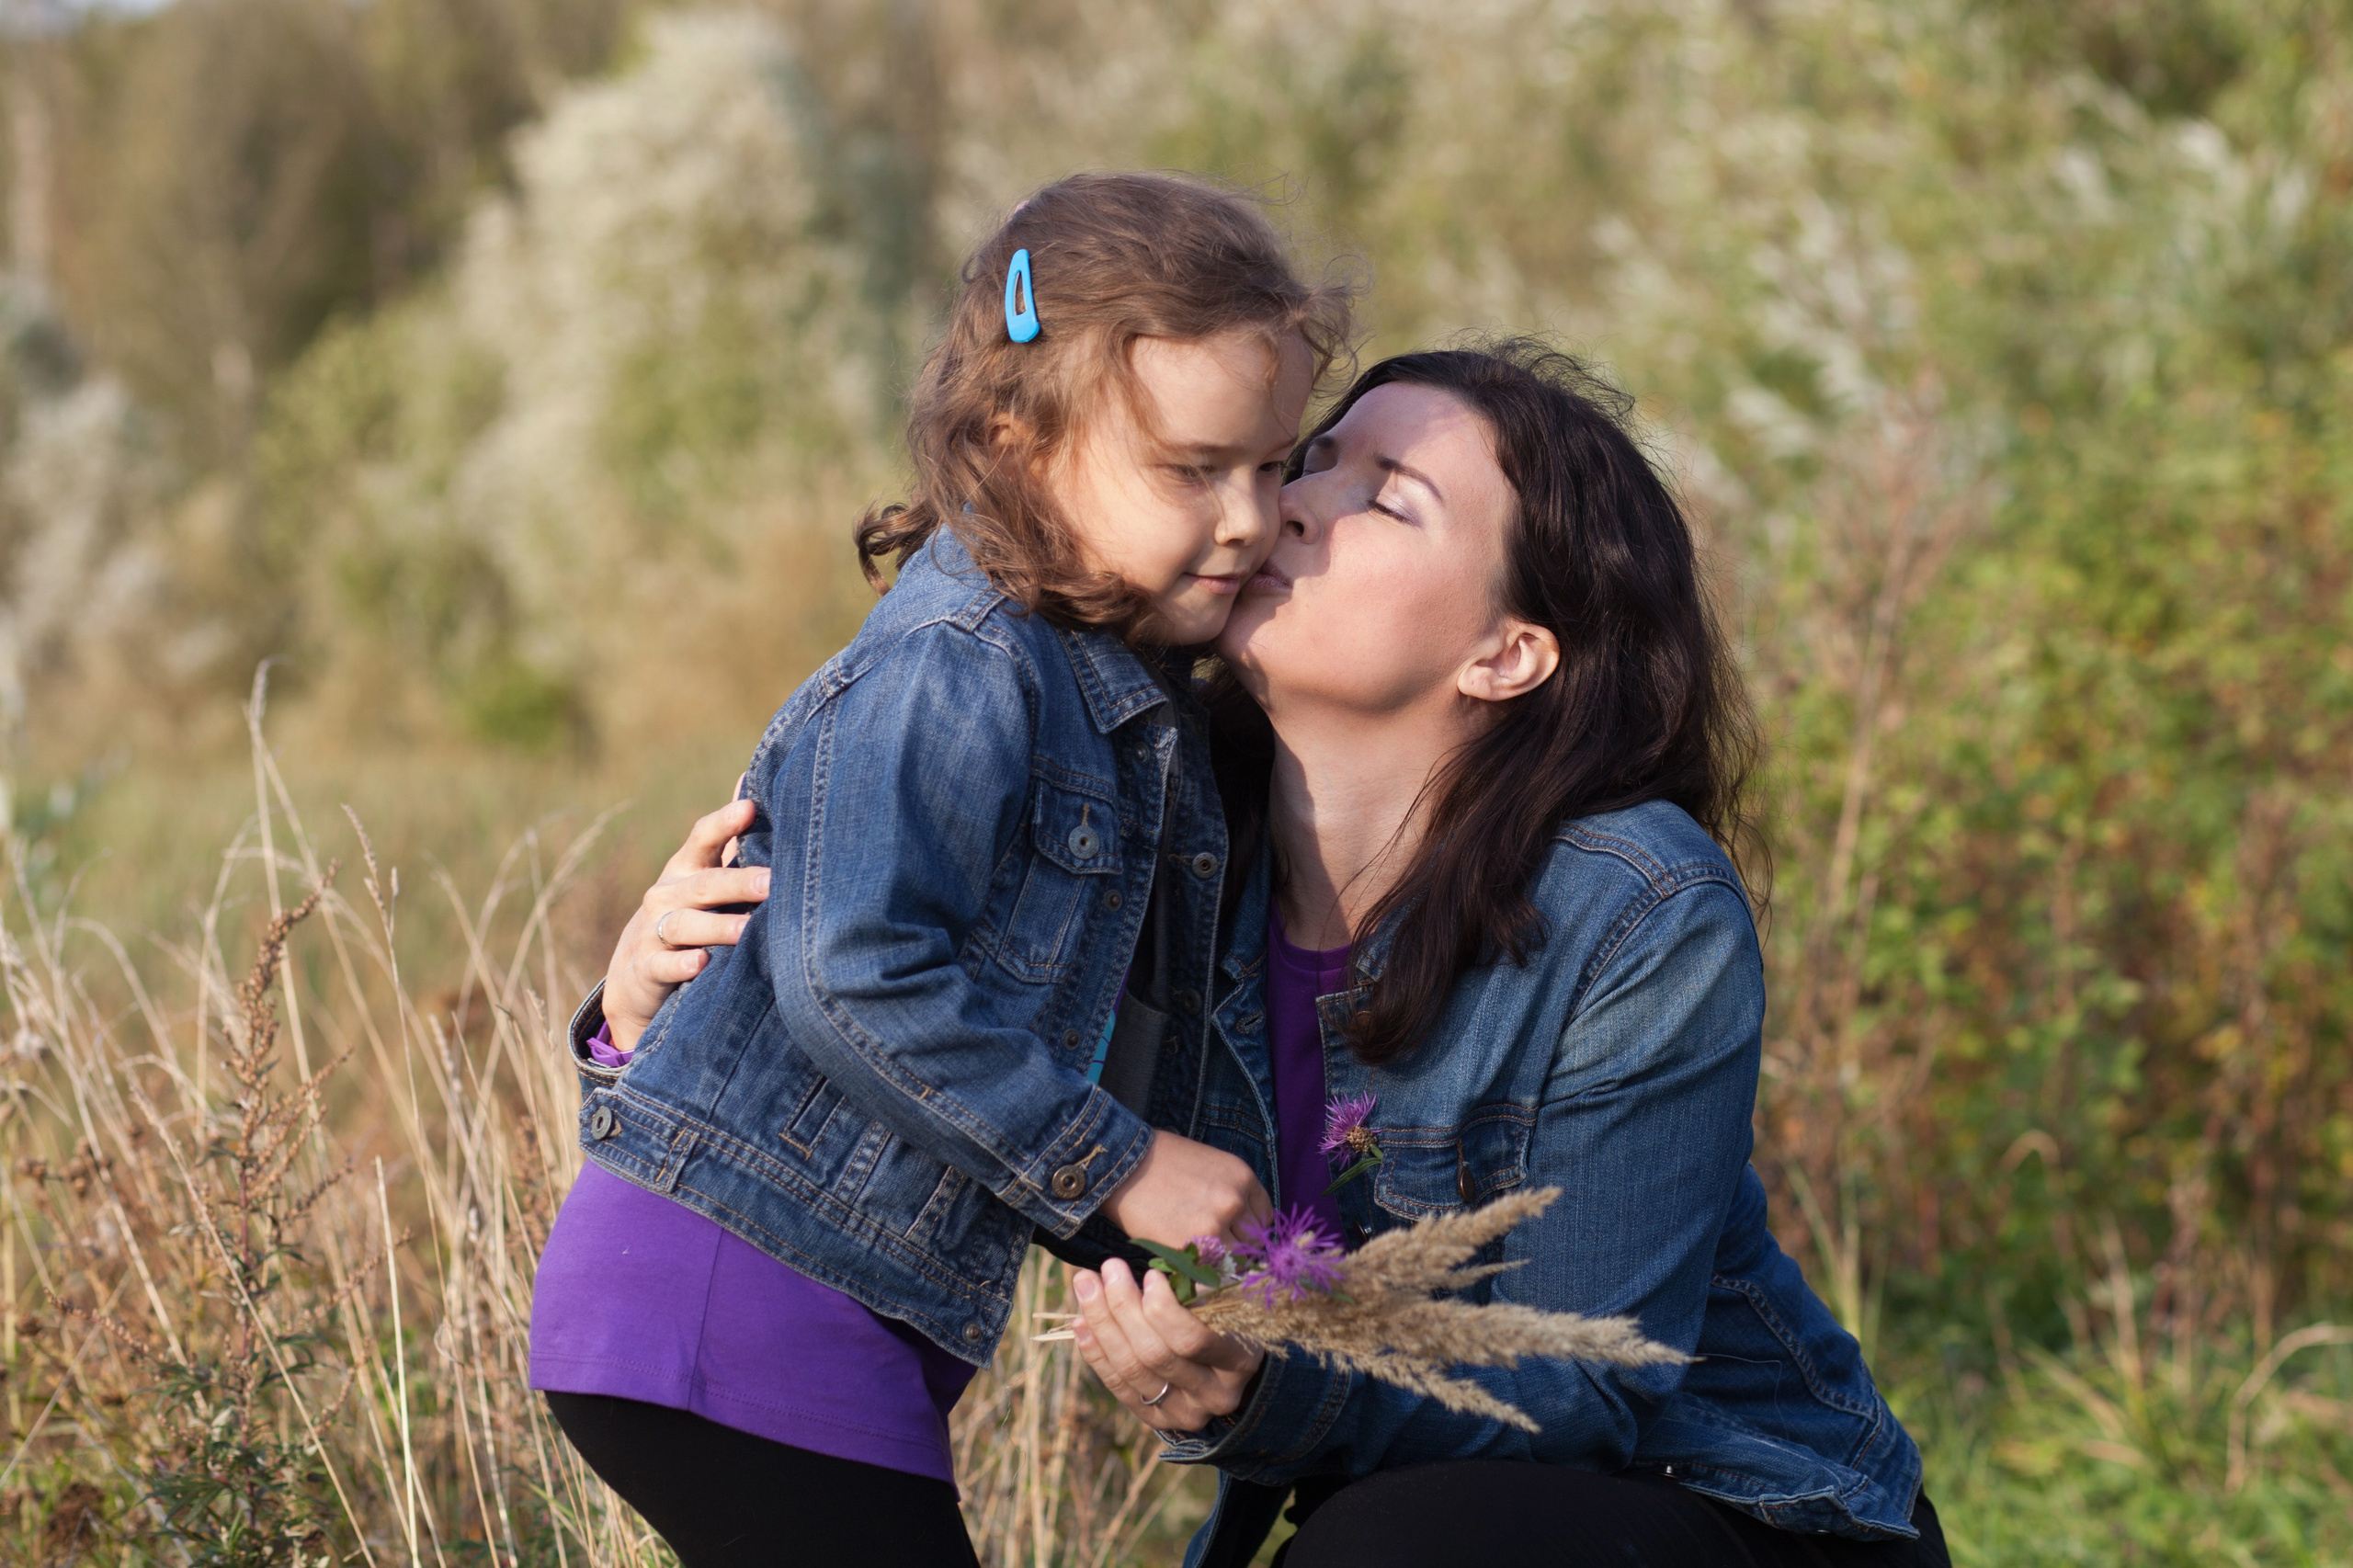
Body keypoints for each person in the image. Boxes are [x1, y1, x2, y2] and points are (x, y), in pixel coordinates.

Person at [615, 342, 1951, 1568]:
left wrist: (1271, 1394)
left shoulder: (1641, 909)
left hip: (1730, 1514)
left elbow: (1590, 1387)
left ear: (1507, 651)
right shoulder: (1136, 828)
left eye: (1388, 495)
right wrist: (652, 1013)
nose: (1293, 501)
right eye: (1313, 457)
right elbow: (895, 1029)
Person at [528, 171, 1352, 1567]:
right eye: (1191, 468)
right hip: (739, 1287)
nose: (1247, 516)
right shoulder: (961, 663)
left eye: (1272, 465)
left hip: (808, 1300)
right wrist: (1124, 1162)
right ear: (1020, 445)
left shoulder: (1122, 692)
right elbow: (853, 968)